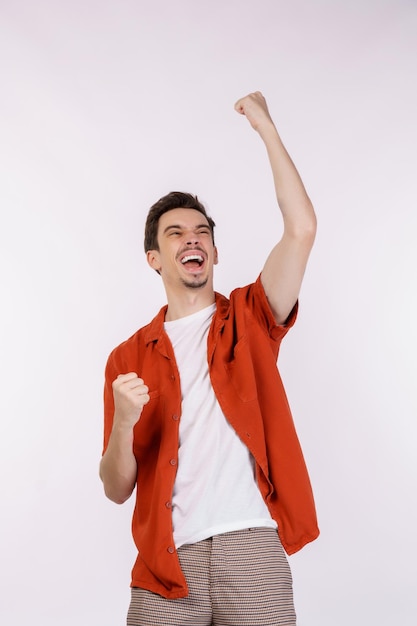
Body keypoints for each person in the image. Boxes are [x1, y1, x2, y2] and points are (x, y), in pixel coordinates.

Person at [100, 91, 319, 626]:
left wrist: (266, 127)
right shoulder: (127, 357)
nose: (191, 239)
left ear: (214, 253)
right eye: (175, 233)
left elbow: (302, 229)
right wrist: (124, 421)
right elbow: (115, 486)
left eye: (202, 233)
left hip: (252, 547)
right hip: (165, 563)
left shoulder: (251, 316)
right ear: (154, 258)